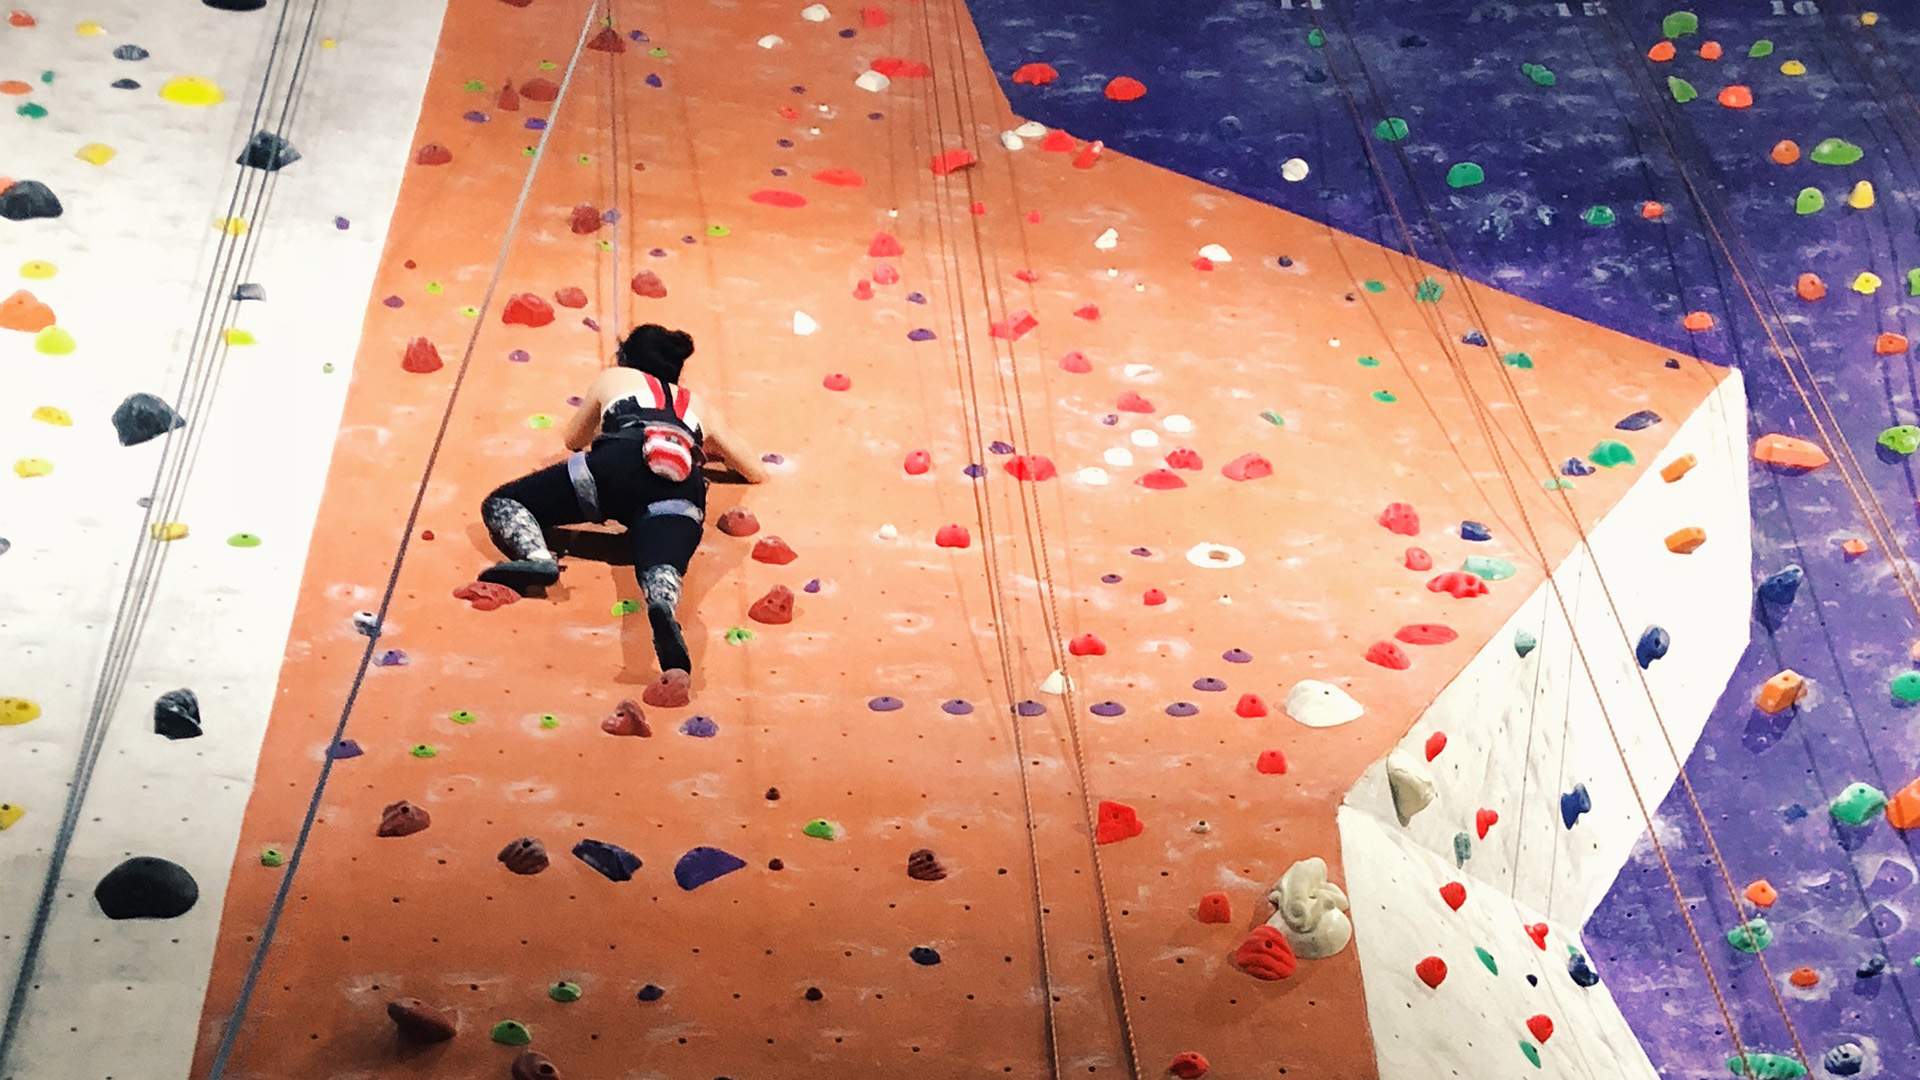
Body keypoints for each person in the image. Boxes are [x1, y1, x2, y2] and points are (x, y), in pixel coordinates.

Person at [478, 323, 767, 675]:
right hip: (679, 487)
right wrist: (709, 450)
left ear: (627, 358)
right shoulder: (699, 406)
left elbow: (572, 439)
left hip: (612, 468)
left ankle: (537, 556)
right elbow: (754, 471)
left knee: (506, 503)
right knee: (663, 565)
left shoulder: (614, 378)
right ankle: (661, 601)